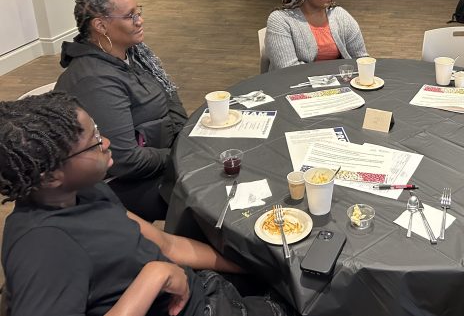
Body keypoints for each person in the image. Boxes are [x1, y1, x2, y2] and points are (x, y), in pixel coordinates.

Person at [0, 92, 292, 316]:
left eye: (98, 131)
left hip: (202, 288)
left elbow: (167, 245)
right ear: (50, 176)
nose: (107, 142)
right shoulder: (44, 246)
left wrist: (253, 267)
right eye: (94, 142)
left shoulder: (86, 191)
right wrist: (154, 277)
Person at [55, 0, 187, 222]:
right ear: (101, 26)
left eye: (139, 12)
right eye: (130, 16)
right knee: (210, 195)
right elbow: (125, 160)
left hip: (160, 159)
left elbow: (169, 98)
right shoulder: (94, 80)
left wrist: (186, 137)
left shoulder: (135, 55)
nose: (140, 21)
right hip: (123, 185)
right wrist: (180, 155)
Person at [265, 0, 368, 70]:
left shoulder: (340, 15)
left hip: (338, 79)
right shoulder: (280, 20)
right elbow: (287, 69)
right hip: (297, 80)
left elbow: (361, 58)